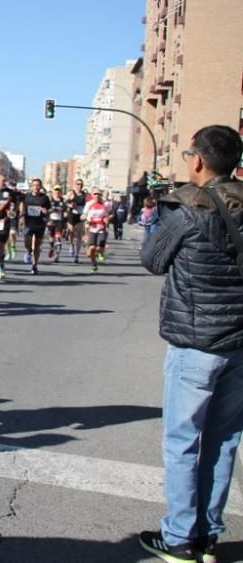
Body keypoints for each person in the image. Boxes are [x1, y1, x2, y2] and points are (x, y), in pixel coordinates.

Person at [138, 125, 243, 563]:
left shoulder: (185, 211)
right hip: (240, 341)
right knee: (224, 439)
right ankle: (207, 536)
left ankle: (180, 537)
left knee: (183, 440)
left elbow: (153, 260)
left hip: (196, 343)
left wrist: (153, 218)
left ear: (198, 160)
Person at [19, 178, 51, 275]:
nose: (36, 187)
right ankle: (29, 251)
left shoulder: (44, 197)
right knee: (27, 243)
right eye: (34, 185)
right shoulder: (26, 196)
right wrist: (21, 216)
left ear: (40, 186)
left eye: (38, 185)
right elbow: (22, 206)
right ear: (31, 187)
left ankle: (34, 266)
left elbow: (49, 210)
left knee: (37, 245)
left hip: (40, 223)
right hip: (28, 223)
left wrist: (46, 212)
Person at [83, 189, 111, 273]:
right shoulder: (89, 204)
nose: (97, 195)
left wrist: (107, 219)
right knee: (90, 252)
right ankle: (94, 265)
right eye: (95, 194)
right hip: (91, 229)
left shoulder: (105, 204)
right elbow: (84, 215)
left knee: (99, 248)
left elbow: (109, 214)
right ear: (92, 195)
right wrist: (86, 219)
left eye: (98, 194)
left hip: (101, 229)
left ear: (101, 195)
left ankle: (101, 253)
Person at [66, 178, 88, 262]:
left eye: (81, 184)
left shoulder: (84, 194)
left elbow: (88, 204)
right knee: (71, 232)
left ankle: (77, 255)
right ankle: (71, 245)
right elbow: (65, 202)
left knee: (79, 235)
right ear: (75, 185)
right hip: (72, 215)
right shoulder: (71, 193)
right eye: (78, 184)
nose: (80, 186)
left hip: (80, 216)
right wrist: (70, 203)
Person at [46, 184, 67, 262]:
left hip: (59, 222)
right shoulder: (49, 200)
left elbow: (65, 212)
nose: (57, 192)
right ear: (53, 191)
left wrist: (65, 216)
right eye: (56, 190)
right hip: (51, 221)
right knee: (51, 239)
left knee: (58, 239)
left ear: (60, 192)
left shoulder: (62, 201)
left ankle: (57, 255)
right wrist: (51, 210)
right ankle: (52, 248)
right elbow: (46, 210)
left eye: (58, 190)